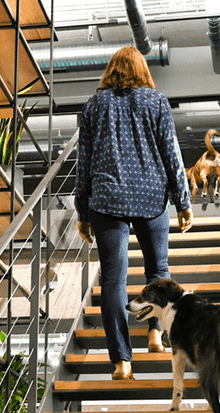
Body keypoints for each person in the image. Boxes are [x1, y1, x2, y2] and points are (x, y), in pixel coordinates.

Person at [75, 46, 193, 380]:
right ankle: (155, 332)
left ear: (110, 71)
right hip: (150, 195)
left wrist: (82, 210)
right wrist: (183, 201)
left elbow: (83, 164)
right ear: (142, 70)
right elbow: (171, 152)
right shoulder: (155, 101)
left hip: (107, 197)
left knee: (114, 277)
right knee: (158, 268)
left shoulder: (94, 106)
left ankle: (121, 363)